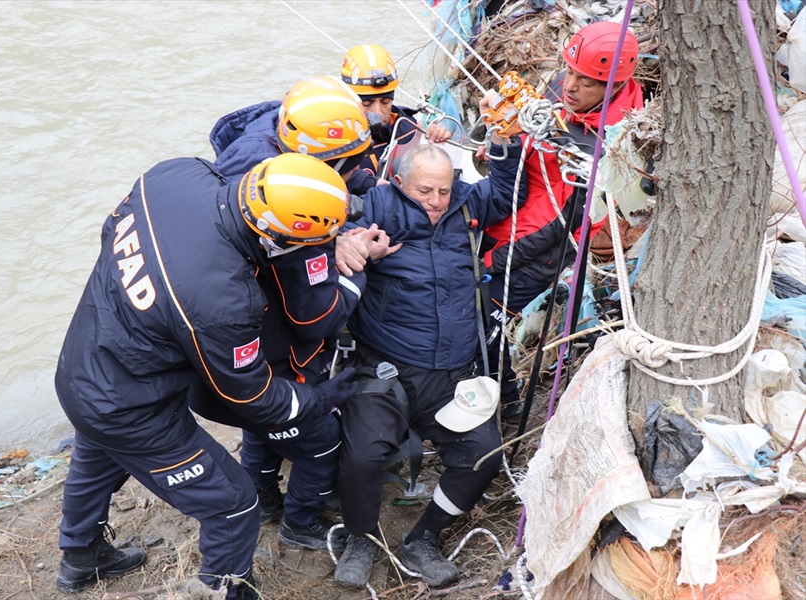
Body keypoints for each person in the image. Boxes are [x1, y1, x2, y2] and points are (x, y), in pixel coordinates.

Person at [54, 153, 369, 599]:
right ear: (277, 239)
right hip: (132, 407)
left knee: (94, 456)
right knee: (235, 505)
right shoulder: (224, 300)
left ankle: (80, 558)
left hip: (82, 361)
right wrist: (318, 400)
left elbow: (110, 233)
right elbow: (251, 394)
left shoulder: (175, 174)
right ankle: (227, 590)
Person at [331, 134, 526, 588]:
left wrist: (505, 143)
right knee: (361, 457)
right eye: (424, 191)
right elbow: (335, 224)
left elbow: (506, 190)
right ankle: (360, 538)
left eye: (443, 189)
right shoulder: (378, 204)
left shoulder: (465, 204)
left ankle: (424, 538)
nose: (436, 201)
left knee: (482, 454)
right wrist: (344, 244)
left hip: (453, 372)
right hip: (386, 369)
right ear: (400, 182)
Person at [208, 75, 393, 551]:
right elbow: (317, 316)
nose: (352, 174)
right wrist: (352, 262)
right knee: (318, 436)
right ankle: (300, 523)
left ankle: (265, 498)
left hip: (239, 337)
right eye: (344, 167)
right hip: (274, 340)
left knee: (260, 426)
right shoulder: (295, 227)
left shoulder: (264, 149)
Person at [480, 22, 643, 415]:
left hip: (536, 251)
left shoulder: (611, 142)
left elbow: (565, 229)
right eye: (568, 71)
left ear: (614, 86)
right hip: (510, 216)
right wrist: (498, 134)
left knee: (484, 326)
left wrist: (496, 261)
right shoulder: (563, 94)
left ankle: (506, 406)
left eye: (585, 81)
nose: (569, 86)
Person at [210, 75, 373, 190]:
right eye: (351, 165)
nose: (358, 166)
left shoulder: (287, 130)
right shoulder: (265, 180)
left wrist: (368, 183)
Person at [340, 43, 453, 193]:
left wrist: (435, 142)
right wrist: (371, 184)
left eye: (385, 102)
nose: (378, 112)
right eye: (367, 104)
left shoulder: (410, 129)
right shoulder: (330, 135)